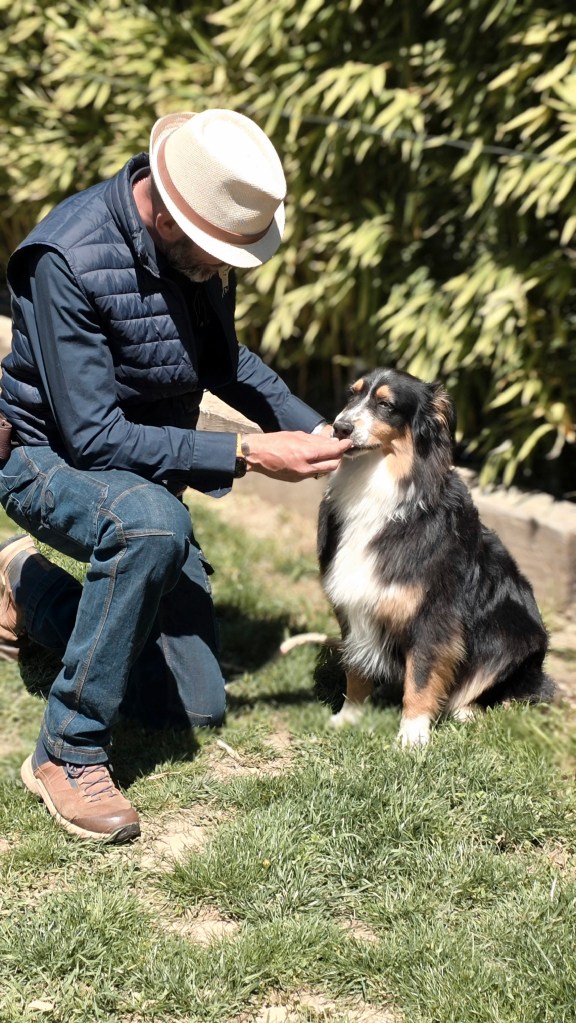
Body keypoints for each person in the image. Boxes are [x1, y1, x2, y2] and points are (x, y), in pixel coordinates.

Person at [0, 108, 351, 844]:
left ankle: (28, 590)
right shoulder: (65, 258)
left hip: (135, 469)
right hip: (40, 456)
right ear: (165, 214)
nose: (225, 269)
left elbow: (225, 362)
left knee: (191, 708)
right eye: (218, 253)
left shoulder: (195, 256)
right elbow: (94, 437)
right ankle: (67, 751)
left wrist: (316, 429)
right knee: (153, 526)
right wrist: (248, 453)